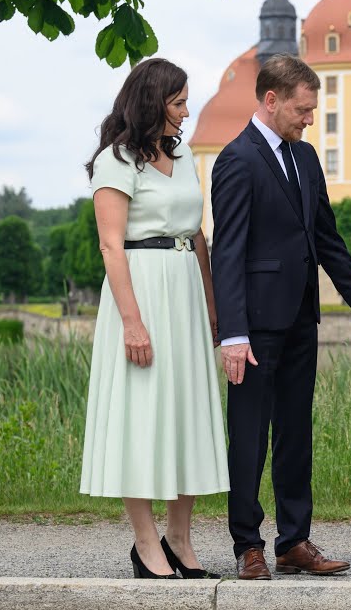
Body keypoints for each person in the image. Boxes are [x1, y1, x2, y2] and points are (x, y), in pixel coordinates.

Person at [210, 53, 351, 581]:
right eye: (303, 108)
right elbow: (228, 252)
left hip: (300, 319)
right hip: (254, 327)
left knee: (296, 432)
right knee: (248, 435)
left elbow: (326, 242)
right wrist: (234, 334)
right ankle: (247, 544)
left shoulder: (307, 157)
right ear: (271, 100)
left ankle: (293, 541)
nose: (310, 118)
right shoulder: (236, 159)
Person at [79, 57, 229, 580]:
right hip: (140, 288)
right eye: (179, 102)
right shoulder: (116, 161)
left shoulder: (183, 153)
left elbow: (198, 233)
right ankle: (146, 546)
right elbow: (111, 247)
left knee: (185, 413)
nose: (187, 112)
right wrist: (133, 323)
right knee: (141, 415)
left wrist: (213, 304)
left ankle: (181, 541)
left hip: (185, 288)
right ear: (152, 103)